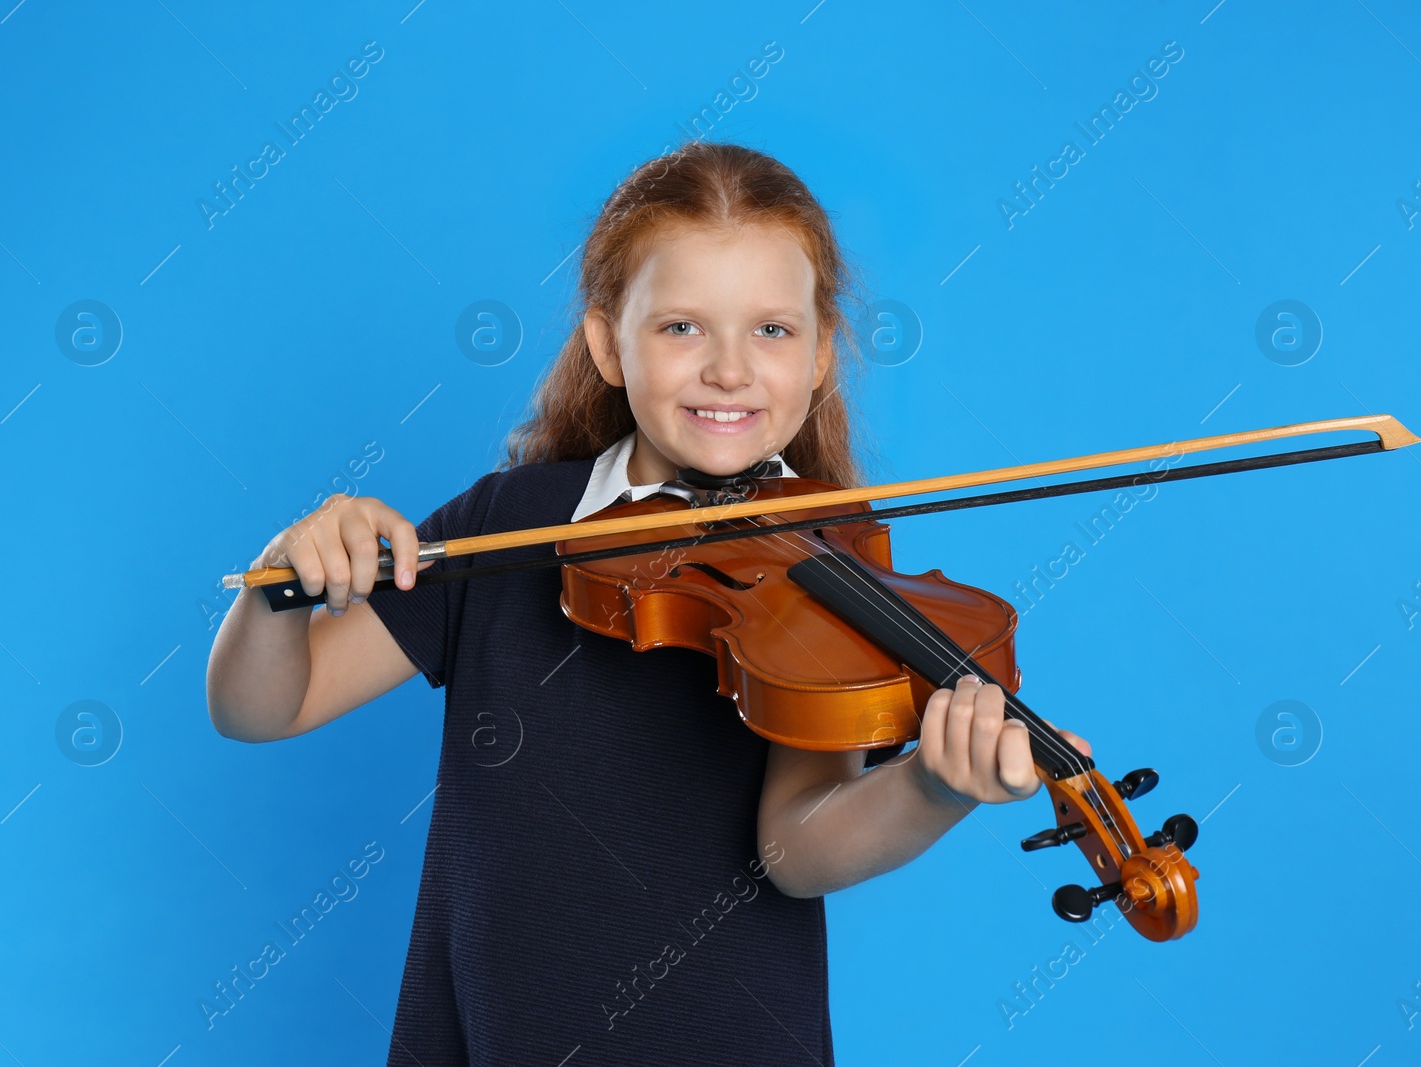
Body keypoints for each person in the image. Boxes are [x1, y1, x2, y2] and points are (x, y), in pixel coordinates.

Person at [205, 140, 1091, 1066]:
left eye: (772, 331)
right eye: (681, 328)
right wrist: (280, 586)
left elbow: (797, 845)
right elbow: (265, 706)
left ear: (823, 353)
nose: (729, 370)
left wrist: (930, 786)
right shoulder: (511, 526)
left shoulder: (831, 559)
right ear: (607, 344)